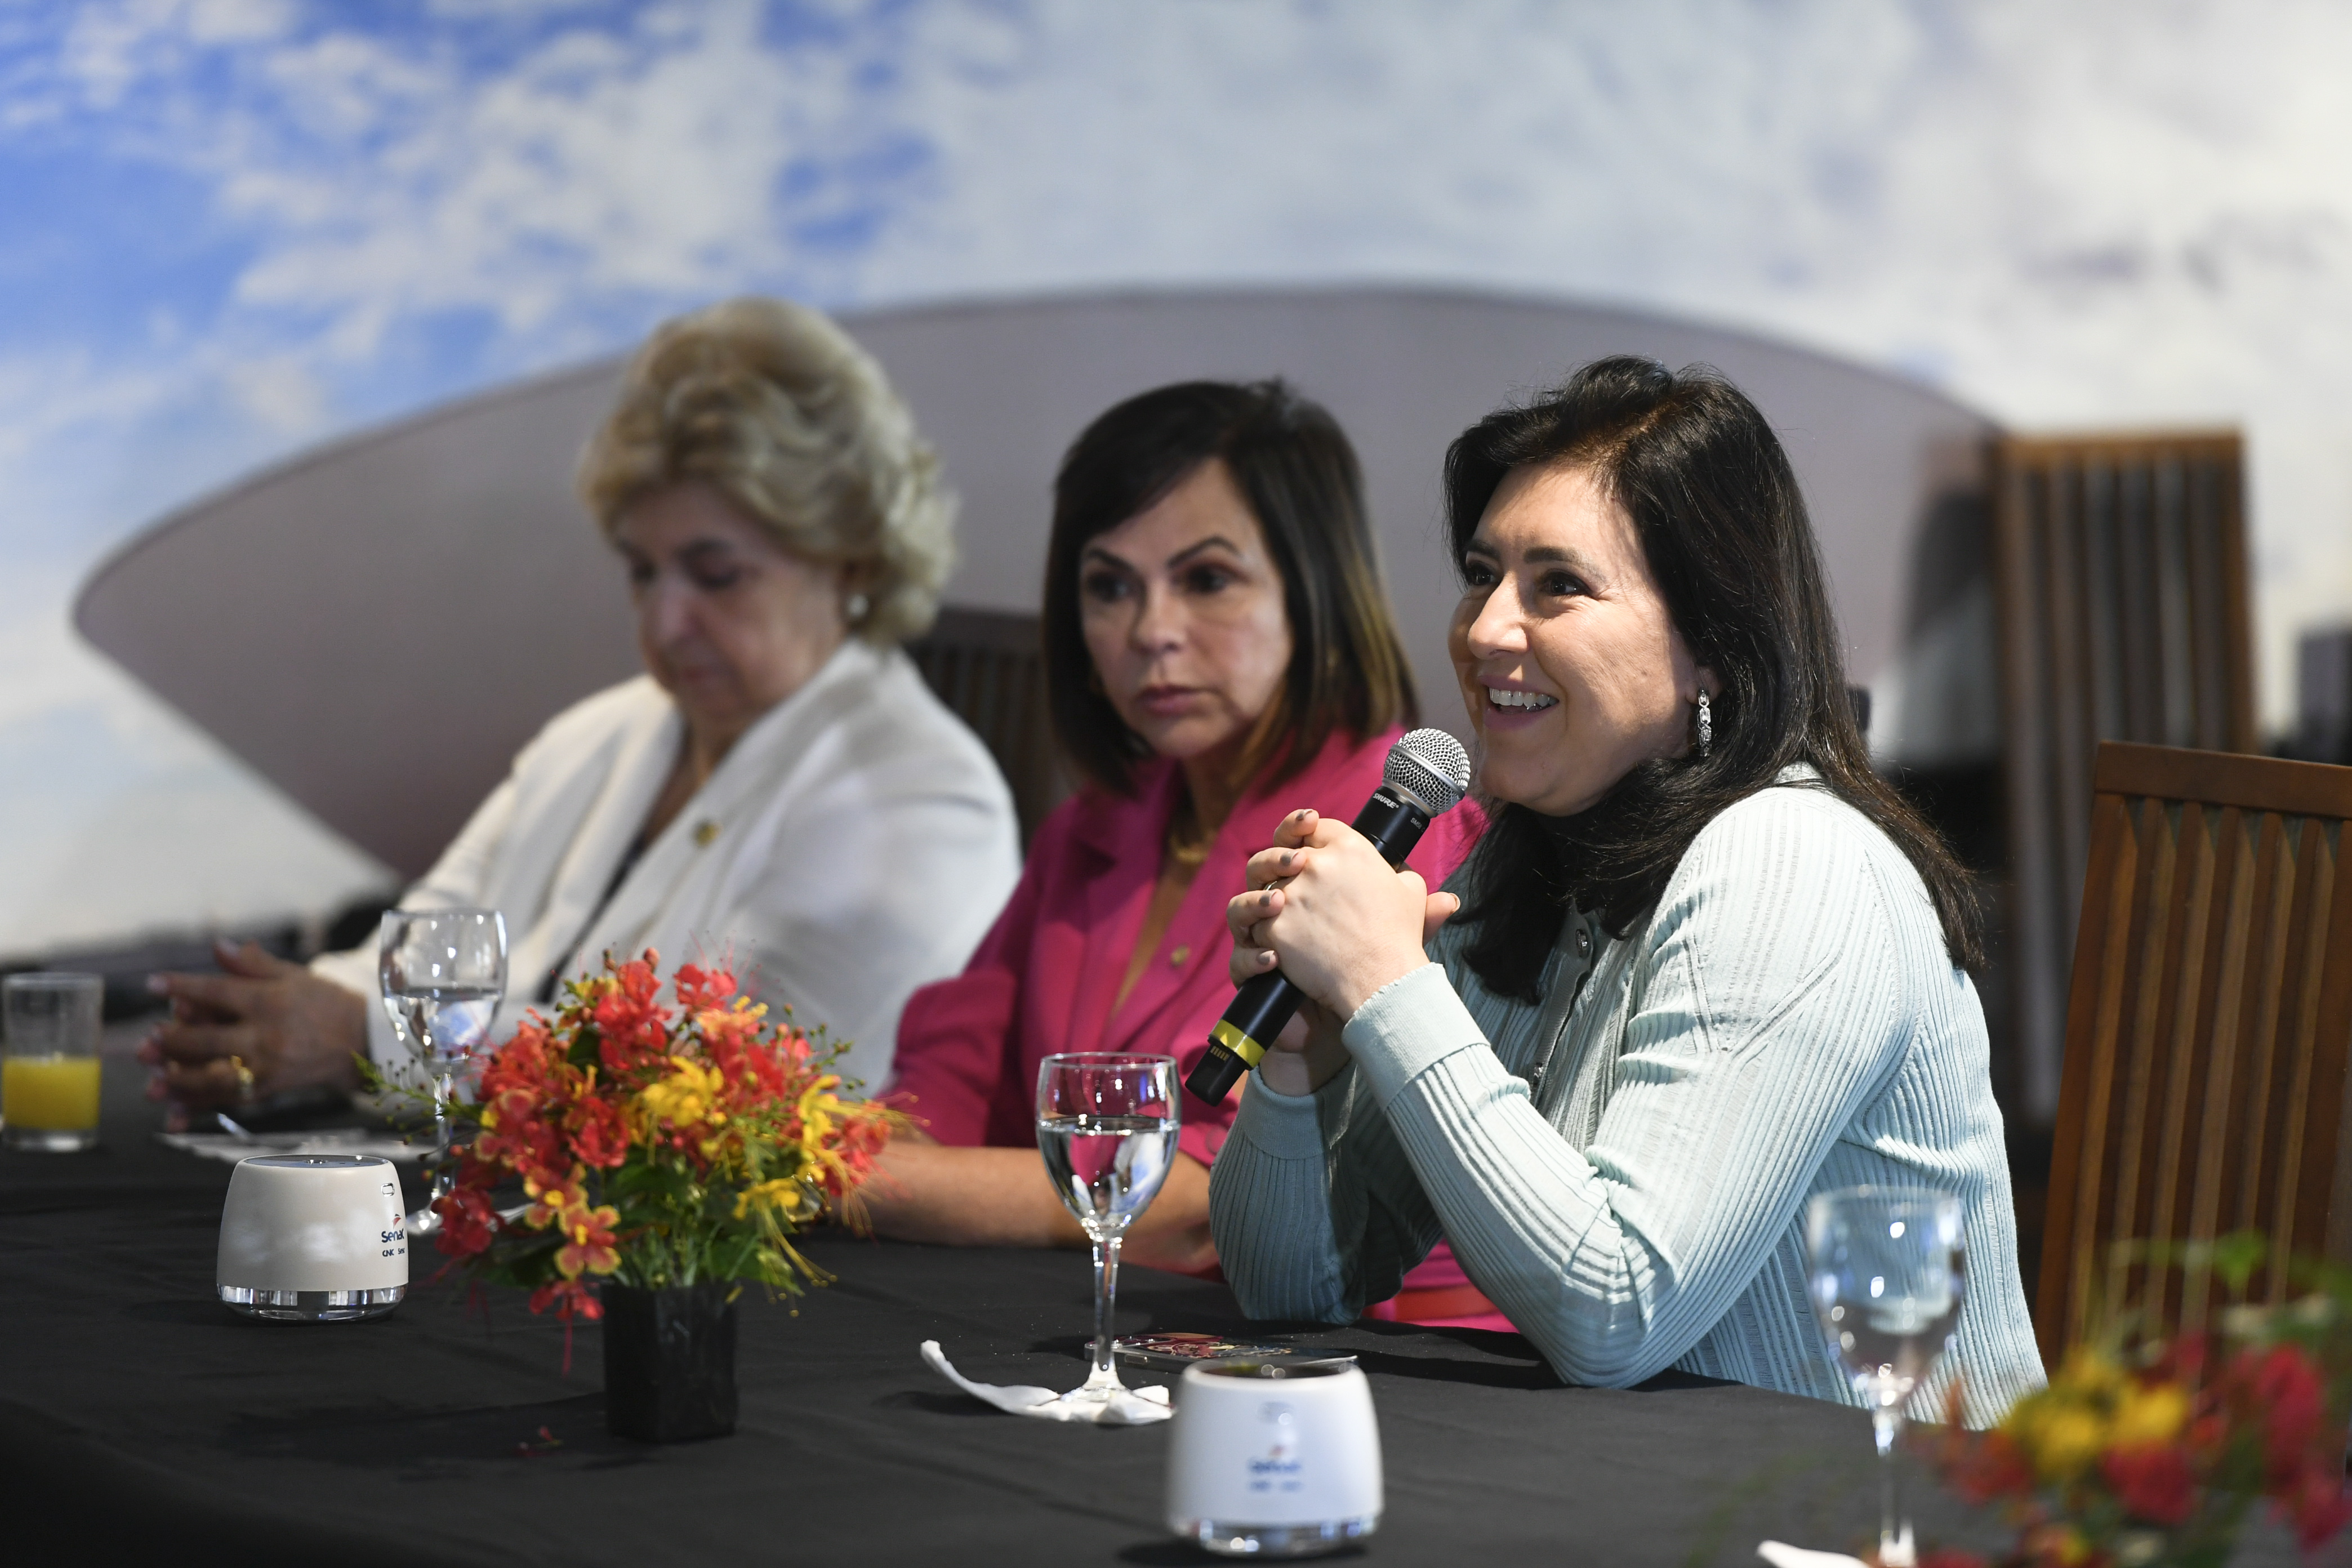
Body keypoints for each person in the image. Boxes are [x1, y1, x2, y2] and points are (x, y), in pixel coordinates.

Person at [1209, 357, 2044, 1422]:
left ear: (1709, 649)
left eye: (1558, 584)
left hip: (1890, 1520)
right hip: (1677, 1498)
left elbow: (1615, 1313)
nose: (1483, 630)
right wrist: (1301, 1061)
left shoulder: (1793, 861)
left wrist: (1386, 986)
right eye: (1482, 573)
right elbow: (1293, 1293)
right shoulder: (1535, 862)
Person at [142, 297, 1023, 1108]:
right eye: (643, 572)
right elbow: (418, 952)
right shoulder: (596, 735)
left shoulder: (921, 797)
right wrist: (267, 1016)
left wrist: (361, 1039)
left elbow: (725, 1087)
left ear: (852, 562)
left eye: (717, 575)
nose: (667, 620)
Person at [867, 379, 1490, 1291]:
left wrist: (836, 1178)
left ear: (1311, 593)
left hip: (1348, 1371)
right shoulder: (1093, 826)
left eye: (1207, 580)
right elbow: (949, 1080)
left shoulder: (1385, 828)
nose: (1151, 632)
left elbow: (1197, 1204)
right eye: (1109, 587)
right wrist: (829, 1155)